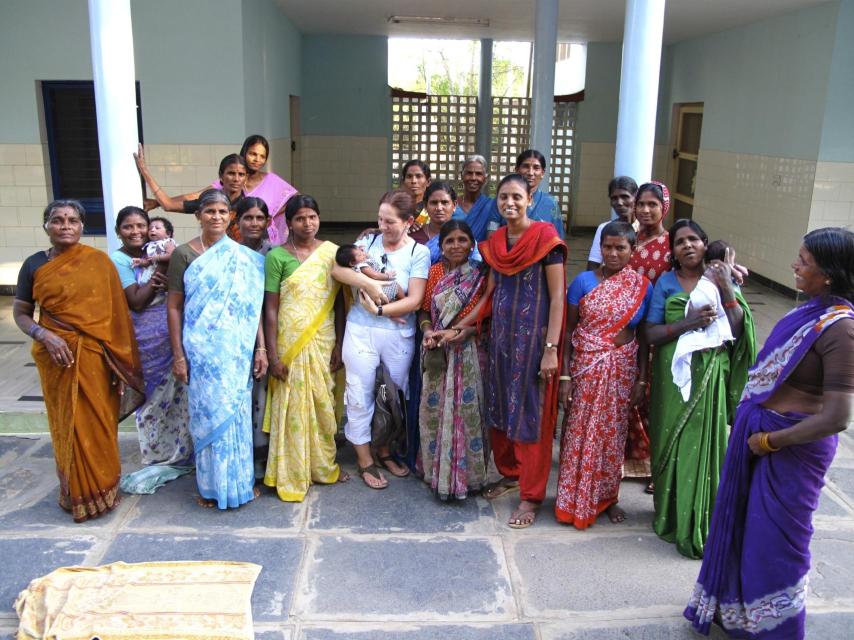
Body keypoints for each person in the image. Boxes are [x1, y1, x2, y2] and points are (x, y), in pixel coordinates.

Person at [685, 228, 854, 639]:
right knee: (744, 527)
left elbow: (837, 417)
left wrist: (769, 442)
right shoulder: (809, 311)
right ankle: (736, 613)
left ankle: (777, 628)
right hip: (762, 440)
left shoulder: (841, 330)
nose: (795, 266)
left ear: (830, 273)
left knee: (776, 543)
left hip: (791, 449)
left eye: (805, 261)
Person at [13, 200, 142, 522]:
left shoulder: (98, 262)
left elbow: (116, 316)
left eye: (72, 220)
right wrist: (44, 335)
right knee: (66, 423)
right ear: (46, 226)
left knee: (96, 421)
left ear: (83, 226)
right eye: (58, 220)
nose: (66, 225)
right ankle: (75, 491)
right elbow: (21, 312)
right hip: (55, 356)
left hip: (95, 357)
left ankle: (104, 488)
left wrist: (116, 358)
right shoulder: (33, 265)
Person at [644, 219, 756, 558]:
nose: (687, 246)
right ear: (673, 251)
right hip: (672, 376)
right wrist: (688, 323)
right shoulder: (664, 283)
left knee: (704, 445)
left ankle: (701, 520)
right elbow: (649, 333)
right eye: (680, 242)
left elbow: (738, 331)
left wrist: (726, 290)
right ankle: (669, 516)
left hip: (711, 373)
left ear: (706, 245)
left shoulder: (725, 278)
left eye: (694, 239)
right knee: (669, 441)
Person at [471, 173, 567, 528]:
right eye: (503, 197)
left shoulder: (546, 240)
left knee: (531, 415)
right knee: (500, 408)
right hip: (501, 341)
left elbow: (558, 297)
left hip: (534, 343)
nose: (509, 203)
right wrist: (464, 327)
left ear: (530, 200)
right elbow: (491, 292)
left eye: (516, 197)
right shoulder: (496, 242)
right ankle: (510, 473)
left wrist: (551, 349)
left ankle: (531, 495)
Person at [166, 189, 266, 509]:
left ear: (230, 216)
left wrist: (261, 349)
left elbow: (254, 308)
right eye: (210, 211)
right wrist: (178, 355)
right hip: (201, 351)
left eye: (223, 212)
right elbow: (173, 308)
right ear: (198, 215)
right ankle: (209, 487)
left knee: (235, 413)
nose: (217, 217)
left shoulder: (244, 258)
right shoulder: (183, 254)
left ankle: (238, 482)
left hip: (235, 350)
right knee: (207, 415)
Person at [555, 221, 652, 528]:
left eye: (620, 248)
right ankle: (572, 500)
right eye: (607, 247)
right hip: (586, 366)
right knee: (579, 434)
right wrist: (566, 377)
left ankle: (608, 498)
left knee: (612, 436)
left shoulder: (642, 287)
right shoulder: (583, 282)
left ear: (632, 251)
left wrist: (641, 379)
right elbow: (570, 331)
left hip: (622, 369)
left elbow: (644, 337)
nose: (612, 253)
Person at [339, 190, 430, 489]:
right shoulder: (367, 243)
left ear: (408, 222)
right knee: (359, 391)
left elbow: (415, 300)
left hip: (398, 334)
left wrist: (380, 309)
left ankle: (385, 448)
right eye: (380, 219)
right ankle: (364, 457)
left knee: (393, 395)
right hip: (360, 330)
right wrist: (367, 282)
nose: (383, 226)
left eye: (390, 221)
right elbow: (338, 269)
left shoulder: (419, 252)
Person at [262, 195, 347, 502]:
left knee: (323, 403)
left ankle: (322, 466)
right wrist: (272, 355)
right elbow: (270, 309)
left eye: (312, 217)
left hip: (323, 340)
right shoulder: (276, 257)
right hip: (289, 343)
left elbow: (339, 301)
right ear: (289, 222)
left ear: (319, 218)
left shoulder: (332, 254)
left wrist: (339, 341)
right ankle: (291, 471)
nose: (307, 224)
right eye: (300, 218)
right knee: (293, 408)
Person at [111, 207, 192, 475]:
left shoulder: (157, 251)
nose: (135, 232)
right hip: (144, 336)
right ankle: (156, 454)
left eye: (140, 226)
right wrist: (156, 281)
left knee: (177, 394)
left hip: (171, 333)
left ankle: (180, 451)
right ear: (118, 232)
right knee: (150, 397)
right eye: (128, 227)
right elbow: (135, 300)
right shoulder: (120, 260)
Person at [418, 220, 488, 500]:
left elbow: (488, 316)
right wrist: (428, 331)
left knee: (469, 413)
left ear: (472, 244)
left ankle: (469, 477)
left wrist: (465, 331)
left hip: (470, 351)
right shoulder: (434, 272)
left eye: (462, 240)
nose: (456, 245)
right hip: (438, 352)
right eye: (450, 241)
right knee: (434, 411)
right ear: (442, 246)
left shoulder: (481, 274)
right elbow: (423, 311)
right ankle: (436, 472)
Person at [624, 181, 672, 484]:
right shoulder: (629, 239)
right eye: (640, 204)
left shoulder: (671, 244)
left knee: (656, 397)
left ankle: (657, 466)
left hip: (659, 332)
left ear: (663, 207)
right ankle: (631, 462)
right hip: (628, 329)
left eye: (652, 204)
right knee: (631, 394)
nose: (645, 210)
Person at [234, 197, 274, 478]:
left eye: (260, 218)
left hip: (269, 332)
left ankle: (262, 460)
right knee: (238, 395)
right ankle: (238, 457)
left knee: (263, 395)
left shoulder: (274, 254)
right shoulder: (229, 255)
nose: (254, 223)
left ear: (269, 222)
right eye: (248, 218)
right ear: (237, 223)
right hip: (234, 334)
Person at [134, 149, 249, 240]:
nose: (236, 179)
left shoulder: (248, 204)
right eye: (231, 173)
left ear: (246, 178)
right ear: (220, 175)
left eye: (241, 174)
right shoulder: (208, 201)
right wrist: (144, 170)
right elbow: (168, 205)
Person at [219, 135, 297, 245]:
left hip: (264, 239)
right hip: (233, 240)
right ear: (244, 152)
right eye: (253, 154)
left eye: (262, 156)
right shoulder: (233, 179)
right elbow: (207, 195)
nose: (257, 160)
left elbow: (296, 197)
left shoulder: (271, 179)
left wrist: (273, 214)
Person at [586, 176, 639, 270]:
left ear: (636, 197)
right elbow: (593, 266)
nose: (619, 202)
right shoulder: (605, 228)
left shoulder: (645, 229)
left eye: (625, 197)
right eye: (614, 198)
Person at [512, 149, 565, 239]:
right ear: (517, 170)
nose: (530, 173)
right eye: (526, 166)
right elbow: (493, 237)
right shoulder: (503, 201)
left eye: (536, 168)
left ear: (542, 173)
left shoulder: (550, 203)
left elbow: (558, 239)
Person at [410, 181, 457, 264]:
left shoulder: (463, 238)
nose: (439, 208)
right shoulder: (412, 238)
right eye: (434, 203)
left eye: (444, 202)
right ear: (425, 206)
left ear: (454, 205)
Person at [452, 155, 497, 242]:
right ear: (462, 175)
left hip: (482, 254)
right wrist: (418, 223)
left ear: (485, 178)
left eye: (478, 174)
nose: (473, 178)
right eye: (469, 173)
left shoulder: (492, 205)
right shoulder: (449, 203)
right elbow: (427, 220)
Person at [335, 244, 403, 302]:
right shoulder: (362, 266)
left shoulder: (360, 261)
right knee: (396, 286)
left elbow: (367, 256)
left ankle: (395, 312)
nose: (363, 254)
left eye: (361, 251)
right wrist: (387, 276)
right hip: (380, 289)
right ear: (352, 263)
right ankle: (404, 300)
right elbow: (375, 275)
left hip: (375, 292)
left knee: (390, 301)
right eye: (359, 255)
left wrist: (360, 251)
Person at [400, 159, 431, 225]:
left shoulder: (433, 207)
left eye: (418, 176)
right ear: (403, 182)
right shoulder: (396, 207)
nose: (413, 181)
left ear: (428, 182)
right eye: (409, 176)